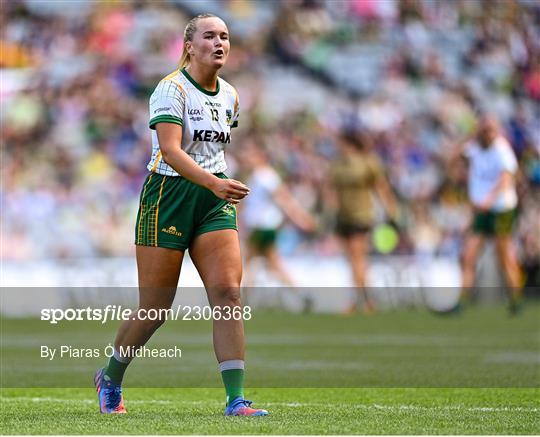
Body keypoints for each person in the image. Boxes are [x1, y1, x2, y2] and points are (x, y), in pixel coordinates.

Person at [94, 14, 268, 416]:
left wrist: (217, 184)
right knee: (155, 308)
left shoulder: (230, 95)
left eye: (225, 36)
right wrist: (214, 183)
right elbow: (171, 151)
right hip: (168, 195)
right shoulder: (170, 89)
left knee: (228, 294)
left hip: (213, 198)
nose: (219, 43)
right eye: (210, 36)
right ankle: (111, 377)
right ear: (190, 45)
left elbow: (213, 149)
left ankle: (236, 399)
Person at [454, 115, 522, 313]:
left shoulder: (502, 151)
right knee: (468, 255)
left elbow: (506, 180)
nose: (487, 134)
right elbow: (454, 157)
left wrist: (489, 201)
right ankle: (462, 300)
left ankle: (515, 299)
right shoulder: (474, 146)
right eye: (484, 130)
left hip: (501, 210)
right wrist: (467, 135)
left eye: (490, 130)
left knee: (504, 256)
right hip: (481, 211)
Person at [328, 129, 399, 314]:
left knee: (357, 257)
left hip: (362, 215)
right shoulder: (337, 165)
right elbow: (331, 189)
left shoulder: (367, 163)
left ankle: (357, 300)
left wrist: (391, 211)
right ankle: (366, 301)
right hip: (343, 216)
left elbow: (381, 187)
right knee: (352, 260)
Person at [240, 143, 316, 307]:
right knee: (271, 263)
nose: (247, 157)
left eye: (251, 154)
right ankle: (301, 293)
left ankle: (242, 299)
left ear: (261, 157)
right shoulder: (259, 176)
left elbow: (284, 200)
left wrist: (301, 219)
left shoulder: (266, 176)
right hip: (261, 227)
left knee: (249, 261)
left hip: (262, 226)